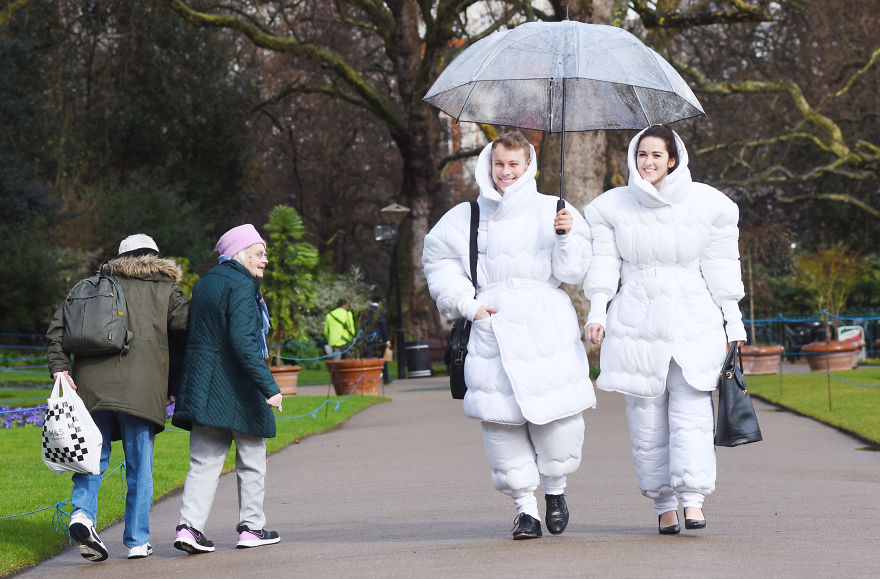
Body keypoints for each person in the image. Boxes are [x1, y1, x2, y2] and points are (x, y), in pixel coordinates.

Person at [422, 130, 595, 540]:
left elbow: (573, 273)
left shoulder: (556, 208)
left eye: (514, 164)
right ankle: (525, 510)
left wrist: (567, 235)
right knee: (501, 423)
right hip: (491, 325)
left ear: (528, 165)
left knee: (558, 418)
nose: (506, 173)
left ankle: (555, 491)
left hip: (546, 323)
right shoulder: (467, 215)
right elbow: (439, 261)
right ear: (489, 163)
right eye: (499, 164)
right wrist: (468, 305)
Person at [583, 124, 746, 535]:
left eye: (657, 154)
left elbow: (722, 267)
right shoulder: (610, 207)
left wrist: (734, 321)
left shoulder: (710, 204)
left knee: (692, 409)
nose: (648, 162)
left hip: (693, 316)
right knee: (646, 416)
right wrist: (596, 313)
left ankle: (693, 498)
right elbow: (604, 266)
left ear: (673, 158)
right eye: (642, 155)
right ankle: (662, 503)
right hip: (636, 317)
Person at [46, 234, 190, 562]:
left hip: (90, 388)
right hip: (142, 388)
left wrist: (59, 368)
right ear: (156, 257)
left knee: (92, 456)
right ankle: (137, 541)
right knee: (140, 466)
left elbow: (56, 331)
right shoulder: (167, 289)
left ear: (119, 257)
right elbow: (188, 328)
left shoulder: (91, 286)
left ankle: (82, 515)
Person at [172, 224, 283, 554]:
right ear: (240, 254)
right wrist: (269, 387)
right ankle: (251, 528)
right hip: (238, 387)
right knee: (251, 459)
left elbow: (187, 336)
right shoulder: (242, 285)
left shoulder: (205, 284)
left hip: (204, 387)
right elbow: (244, 342)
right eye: (259, 254)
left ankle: (189, 528)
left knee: (203, 463)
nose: (265, 260)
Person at [361, 296, 392, 384]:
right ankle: (385, 378)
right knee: (382, 359)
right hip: (379, 338)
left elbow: (363, 324)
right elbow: (383, 326)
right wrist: (387, 340)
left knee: (369, 358)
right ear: (380, 302)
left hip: (368, 338)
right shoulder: (379, 311)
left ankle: (369, 377)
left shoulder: (366, 311)